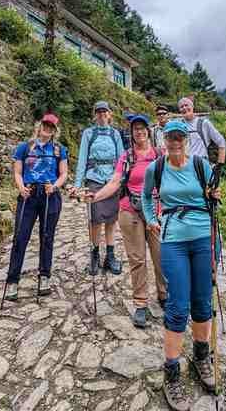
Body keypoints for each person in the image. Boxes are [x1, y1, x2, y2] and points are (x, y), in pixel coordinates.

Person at [142, 120, 221, 411]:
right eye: (170, 137)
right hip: (173, 240)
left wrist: (214, 197)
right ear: (163, 139)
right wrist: (151, 219)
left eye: (179, 137)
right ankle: (172, 372)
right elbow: (145, 196)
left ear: (185, 139)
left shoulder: (201, 166)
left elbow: (213, 198)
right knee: (178, 304)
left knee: (202, 302)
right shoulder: (157, 168)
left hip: (202, 238)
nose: (174, 141)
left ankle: (202, 357)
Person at [81, 114, 167, 329]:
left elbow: (174, 177)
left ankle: (165, 296)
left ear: (148, 131)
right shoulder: (127, 157)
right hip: (130, 211)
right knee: (137, 259)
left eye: (142, 128)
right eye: (135, 129)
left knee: (161, 257)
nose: (139, 132)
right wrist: (96, 195)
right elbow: (114, 181)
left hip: (155, 212)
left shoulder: (159, 155)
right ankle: (140, 303)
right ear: (132, 133)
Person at [6, 113, 68, 301]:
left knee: (47, 236)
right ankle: (13, 280)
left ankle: (44, 276)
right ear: (39, 125)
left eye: (51, 127)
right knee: (20, 237)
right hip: (29, 194)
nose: (47, 128)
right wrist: (21, 187)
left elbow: (64, 173)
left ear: (54, 131)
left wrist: (55, 186)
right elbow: (17, 172)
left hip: (50, 195)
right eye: (45, 125)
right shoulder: (24, 147)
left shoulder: (59, 149)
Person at [69, 101, 124, 276]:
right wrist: (78, 185)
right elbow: (82, 159)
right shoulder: (88, 133)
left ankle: (110, 255)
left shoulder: (115, 134)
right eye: (98, 112)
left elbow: (122, 158)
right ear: (95, 115)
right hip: (94, 179)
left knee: (111, 219)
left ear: (109, 114)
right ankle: (94, 255)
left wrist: (122, 179)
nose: (101, 114)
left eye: (104, 111)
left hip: (112, 181)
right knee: (95, 220)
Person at [178, 96, 226, 164]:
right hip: (185, 165)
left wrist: (220, 164)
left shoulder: (204, 123)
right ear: (179, 110)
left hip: (202, 164)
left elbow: (221, 141)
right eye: (181, 107)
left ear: (192, 106)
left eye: (186, 105)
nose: (184, 108)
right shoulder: (178, 126)